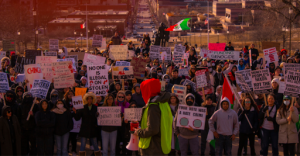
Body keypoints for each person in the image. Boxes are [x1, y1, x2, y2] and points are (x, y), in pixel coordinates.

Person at [134, 78, 173, 155]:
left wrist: (138, 132)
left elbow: (153, 129)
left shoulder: (153, 106)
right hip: (161, 146)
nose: (142, 94)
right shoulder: (163, 103)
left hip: (152, 149)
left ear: (148, 90)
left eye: (143, 90)